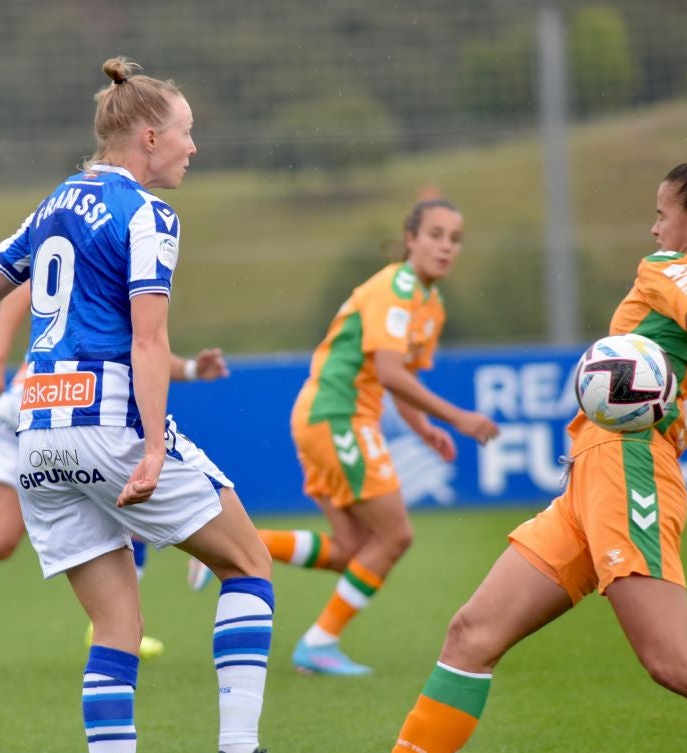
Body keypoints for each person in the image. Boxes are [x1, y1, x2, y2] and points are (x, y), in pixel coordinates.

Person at [296, 153, 687, 753]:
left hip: (630, 468)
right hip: (594, 476)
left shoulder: (671, 273)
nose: (652, 229)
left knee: (674, 661)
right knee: (472, 633)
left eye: (660, 214)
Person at [0, 57, 325, 753]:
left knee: (117, 623)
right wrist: (150, 445)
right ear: (148, 137)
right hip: (107, 420)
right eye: (186, 133)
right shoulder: (148, 215)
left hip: (36, 431)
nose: (193, 148)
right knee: (248, 565)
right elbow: (149, 338)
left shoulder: (51, 205)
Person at [189, 199, 498, 677]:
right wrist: (459, 418)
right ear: (410, 238)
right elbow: (392, 374)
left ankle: (228, 545)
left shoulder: (429, 305)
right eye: (435, 234)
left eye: (454, 239)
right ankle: (318, 643)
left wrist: (424, 429)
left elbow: (401, 380)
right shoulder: (397, 288)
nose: (445, 247)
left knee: (351, 551)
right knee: (395, 534)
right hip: (338, 417)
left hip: (332, 418)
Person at [0, 282, 229, 658]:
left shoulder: (65, 257)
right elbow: (144, 349)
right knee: (136, 490)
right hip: (70, 410)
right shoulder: (121, 264)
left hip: (22, 401)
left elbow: (12, 292)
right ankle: (113, 625)